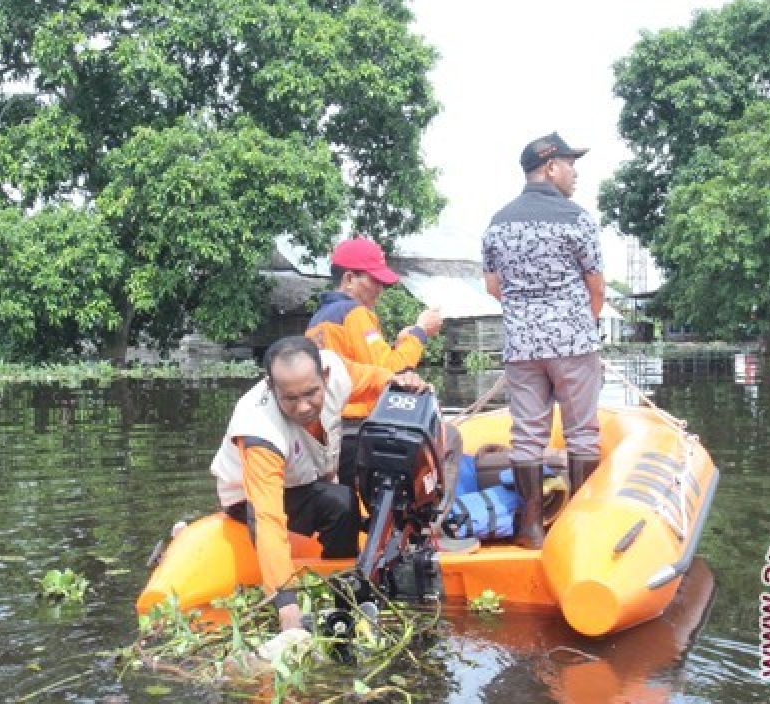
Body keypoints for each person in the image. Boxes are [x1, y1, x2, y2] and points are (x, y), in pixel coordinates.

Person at [208, 335, 429, 651]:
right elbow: (268, 518)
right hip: (250, 497)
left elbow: (372, 378)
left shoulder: (336, 370)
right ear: (272, 389)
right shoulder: (260, 431)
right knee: (341, 503)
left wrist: (401, 380)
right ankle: (339, 582)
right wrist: (288, 609)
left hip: (312, 475)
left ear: (325, 377)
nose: (303, 407)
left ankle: (348, 572)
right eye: (290, 398)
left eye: (312, 393)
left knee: (376, 461)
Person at [481, 132, 605, 549]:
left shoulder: (498, 222)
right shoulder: (577, 218)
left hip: (522, 345)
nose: (575, 175)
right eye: (571, 165)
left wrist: (526, 312)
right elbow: (596, 286)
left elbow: (492, 286)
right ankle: (580, 528)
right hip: (573, 341)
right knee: (582, 435)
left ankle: (530, 527)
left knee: (528, 437)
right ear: (550, 167)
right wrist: (581, 323)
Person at [306, 236, 443, 487]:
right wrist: (420, 333)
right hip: (356, 432)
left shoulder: (319, 320)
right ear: (349, 279)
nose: (380, 288)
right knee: (447, 441)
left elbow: (360, 367)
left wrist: (402, 341)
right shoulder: (355, 314)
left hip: (328, 433)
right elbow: (392, 371)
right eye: (374, 280)